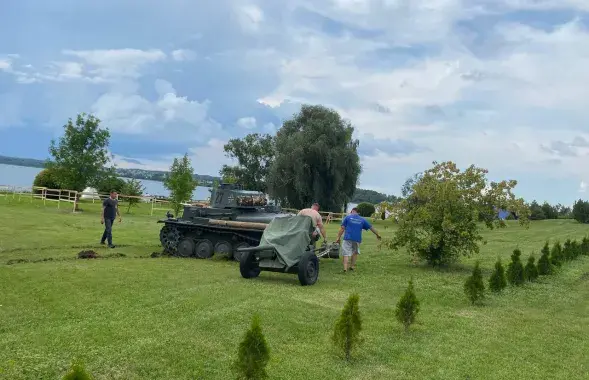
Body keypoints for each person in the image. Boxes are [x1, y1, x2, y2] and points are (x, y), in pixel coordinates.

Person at [335, 207, 381, 272]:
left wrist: (338, 238)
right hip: (357, 239)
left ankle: (345, 268)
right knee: (355, 252)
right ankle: (352, 266)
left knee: (346, 253)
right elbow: (371, 227)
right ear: (358, 212)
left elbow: (342, 228)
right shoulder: (362, 219)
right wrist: (377, 234)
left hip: (347, 238)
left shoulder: (347, 217)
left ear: (352, 211)